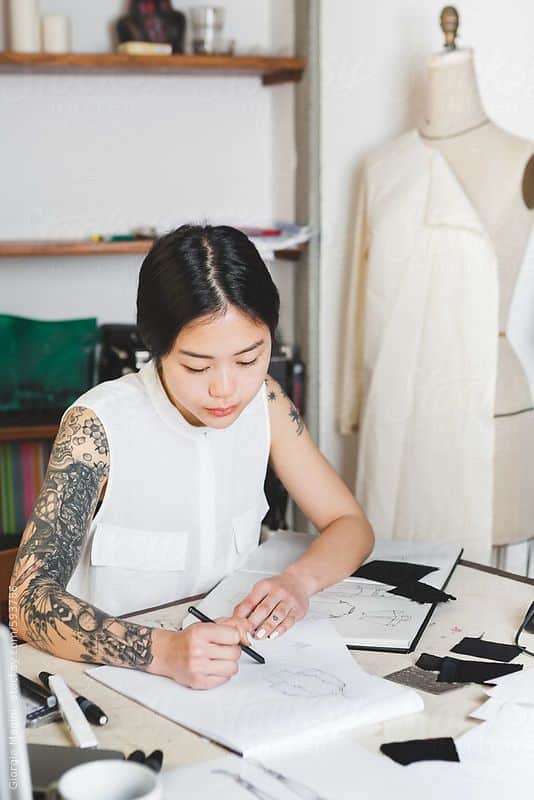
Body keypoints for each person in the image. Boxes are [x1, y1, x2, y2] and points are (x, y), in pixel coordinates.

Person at [9, 225, 373, 690]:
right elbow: (28, 601)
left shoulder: (267, 405)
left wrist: (297, 583)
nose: (225, 388)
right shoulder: (97, 427)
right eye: (197, 366)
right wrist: (163, 651)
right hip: (113, 681)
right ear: (156, 348)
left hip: (236, 672)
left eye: (248, 359)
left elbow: (351, 523)